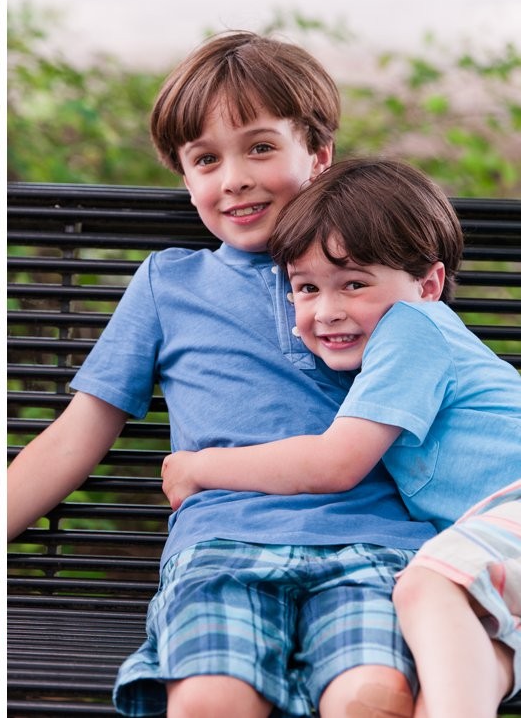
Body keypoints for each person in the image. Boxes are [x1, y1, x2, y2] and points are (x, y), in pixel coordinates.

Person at [7, 31, 436, 718]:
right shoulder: (168, 284)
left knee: (373, 697)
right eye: (205, 158)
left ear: (318, 156)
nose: (232, 176)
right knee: (210, 701)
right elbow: (73, 437)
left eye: (259, 147)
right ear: (185, 178)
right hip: (222, 547)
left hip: (374, 548)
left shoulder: (378, 280)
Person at [163, 158, 521, 718]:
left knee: (423, 589)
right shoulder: (397, 345)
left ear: (428, 284)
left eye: (353, 284)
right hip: (495, 550)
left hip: (512, 508)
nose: (328, 312)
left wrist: (198, 468)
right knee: (472, 656)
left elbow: (335, 462)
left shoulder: (413, 328)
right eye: (306, 288)